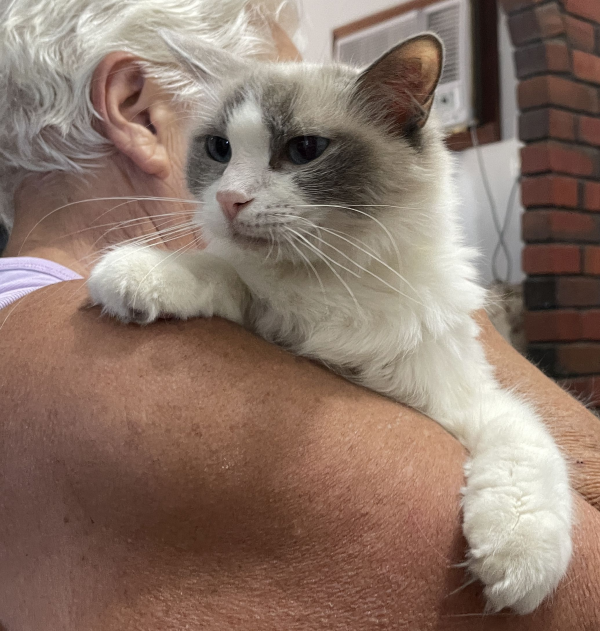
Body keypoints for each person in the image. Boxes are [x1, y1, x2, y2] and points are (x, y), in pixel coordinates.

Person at [1, 1, 599, 629]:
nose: (233, 193)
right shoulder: (130, 375)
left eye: (303, 146)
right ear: (139, 109)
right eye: (220, 147)